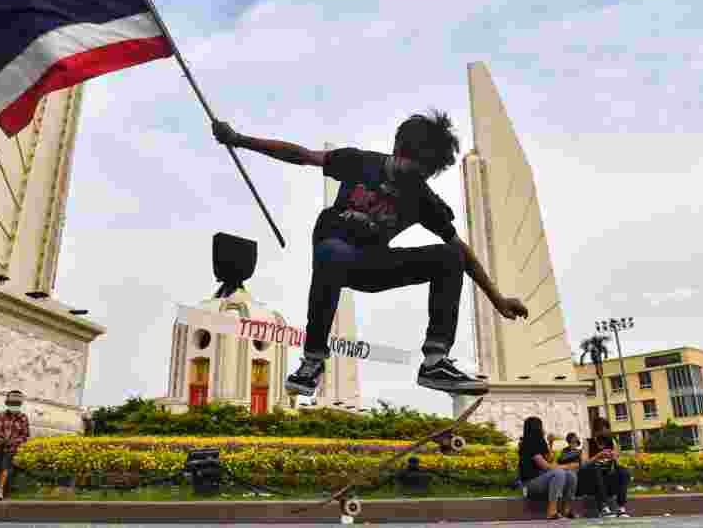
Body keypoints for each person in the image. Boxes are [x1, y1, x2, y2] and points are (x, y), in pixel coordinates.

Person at [212, 113, 529, 396]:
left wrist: (498, 300)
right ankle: (313, 360)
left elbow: (464, 255)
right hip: (334, 256)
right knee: (332, 246)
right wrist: (239, 140)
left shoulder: (422, 198)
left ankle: (435, 361)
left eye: (427, 174)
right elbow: (301, 155)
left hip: (373, 266)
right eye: (417, 168)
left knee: (449, 256)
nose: (419, 178)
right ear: (400, 151)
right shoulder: (360, 162)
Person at [518, 416, 579, 519]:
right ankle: (552, 511)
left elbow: (551, 461)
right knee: (559, 473)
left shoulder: (541, 442)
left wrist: (550, 443)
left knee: (571, 475)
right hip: (530, 484)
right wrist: (568, 466)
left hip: (543, 480)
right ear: (536, 428)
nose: (543, 428)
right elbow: (546, 466)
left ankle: (566, 510)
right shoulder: (527, 444)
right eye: (541, 426)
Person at [0, 390, 30, 500]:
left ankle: (0, 490)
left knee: (6, 465)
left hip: (11, 449)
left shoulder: (23, 418)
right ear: (7, 403)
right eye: (12, 403)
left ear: (20, 404)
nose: (14, 406)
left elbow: (25, 436)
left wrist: (14, 441)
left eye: (17, 404)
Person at [578, 417, 631, 518]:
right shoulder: (588, 442)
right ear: (596, 431)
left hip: (608, 477)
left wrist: (614, 457)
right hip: (592, 479)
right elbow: (583, 464)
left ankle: (621, 508)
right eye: (602, 430)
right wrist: (598, 456)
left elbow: (618, 464)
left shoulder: (612, 442)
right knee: (596, 468)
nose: (605, 432)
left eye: (606, 429)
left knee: (624, 471)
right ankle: (604, 508)